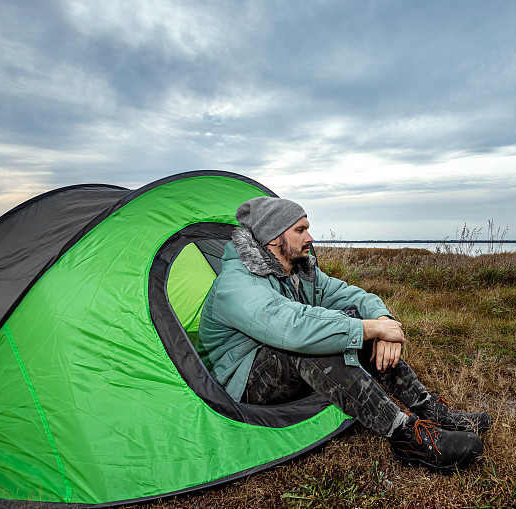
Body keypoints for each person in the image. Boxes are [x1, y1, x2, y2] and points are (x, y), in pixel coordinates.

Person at [198, 196, 491, 473]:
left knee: (350, 323)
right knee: (313, 340)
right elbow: (295, 328)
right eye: (300, 230)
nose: (310, 238)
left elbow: (350, 295)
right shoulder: (235, 286)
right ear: (274, 237)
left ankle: (429, 410)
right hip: (242, 384)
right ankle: (403, 435)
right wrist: (370, 329)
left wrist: (381, 320)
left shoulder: (298, 271)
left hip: (281, 373)